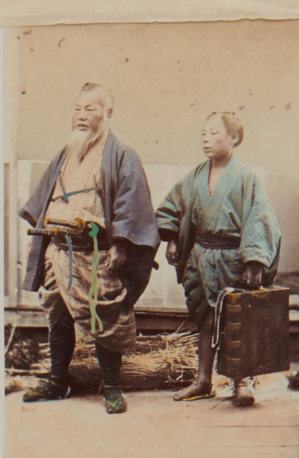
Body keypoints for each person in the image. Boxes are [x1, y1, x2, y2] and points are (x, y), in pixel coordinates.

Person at [19, 82, 160, 413]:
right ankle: (57, 381)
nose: (81, 116)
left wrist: (121, 245)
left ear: (108, 114)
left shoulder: (123, 156)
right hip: (58, 251)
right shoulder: (66, 153)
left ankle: (111, 387)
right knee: (58, 317)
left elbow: (131, 202)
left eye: (90, 109)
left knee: (105, 317)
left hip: (95, 254)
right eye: (77, 108)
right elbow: (43, 200)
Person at [155, 111, 281, 407]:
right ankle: (203, 381)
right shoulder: (195, 176)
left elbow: (260, 220)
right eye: (203, 134)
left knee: (240, 319)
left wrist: (254, 262)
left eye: (214, 133)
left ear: (234, 138)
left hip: (233, 257)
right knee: (205, 320)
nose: (206, 139)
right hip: (200, 257)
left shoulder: (247, 178)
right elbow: (172, 206)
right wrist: (172, 238)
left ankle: (242, 381)